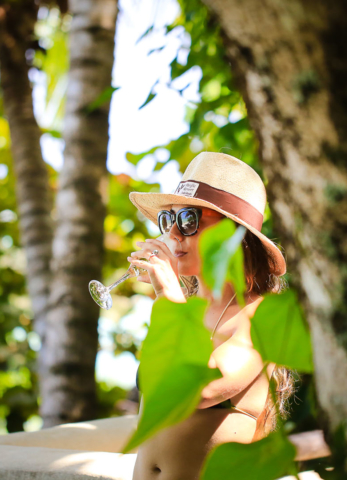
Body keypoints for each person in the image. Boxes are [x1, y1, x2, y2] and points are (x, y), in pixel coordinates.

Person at [126, 151, 295, 479]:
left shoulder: (262, 317)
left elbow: (199, 390)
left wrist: (169, 298)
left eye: (189, 219)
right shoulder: (183, 312)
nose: (173, 234)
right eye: (168, 219)